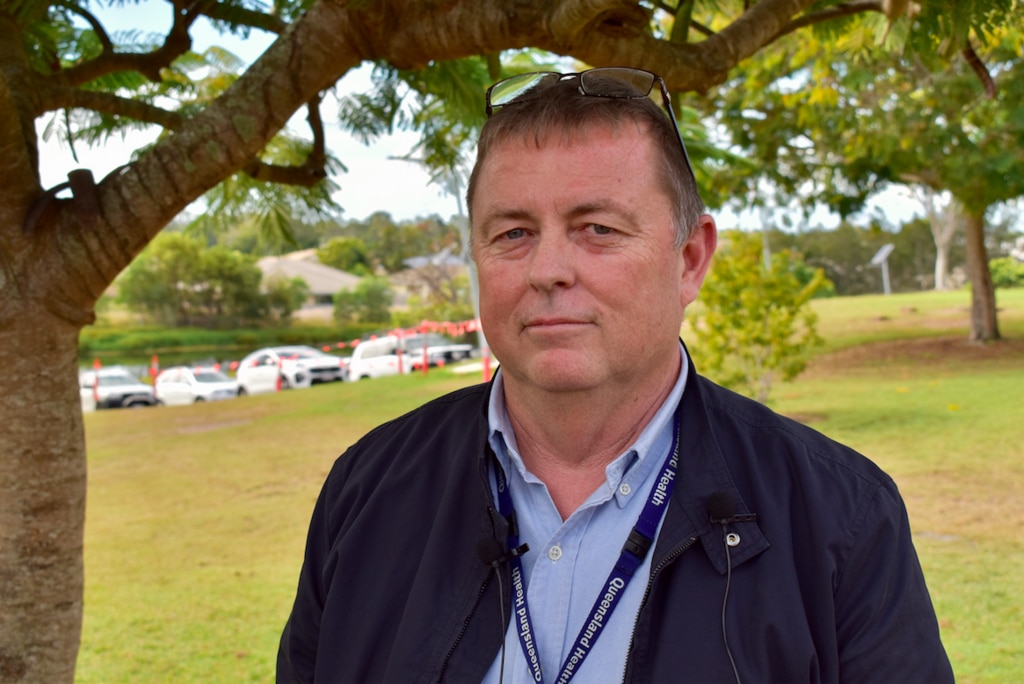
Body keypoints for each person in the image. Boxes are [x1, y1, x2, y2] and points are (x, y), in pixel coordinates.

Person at [277, 67, 954, 683]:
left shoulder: (842, 517)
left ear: (690, 259)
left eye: (596, 228)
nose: (548, 270)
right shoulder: (366, 491)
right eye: (512, 233)